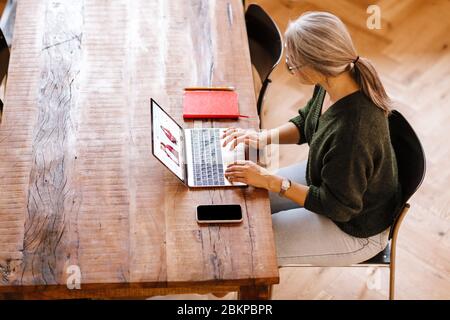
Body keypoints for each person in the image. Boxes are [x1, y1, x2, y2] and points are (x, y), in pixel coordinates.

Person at [221, 11, 401, 266]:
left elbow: (338, 206)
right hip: (328, 182)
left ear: (317, 65)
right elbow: (308, 121)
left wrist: (272, 181)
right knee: (247, 198)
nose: (290, 70)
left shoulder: (353, 132)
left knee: (252, 244)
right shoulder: (336, 79)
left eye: (293, 65)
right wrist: (261, 137)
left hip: (353, 226)